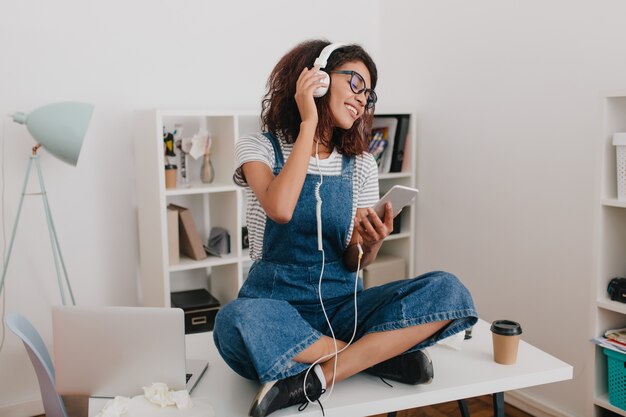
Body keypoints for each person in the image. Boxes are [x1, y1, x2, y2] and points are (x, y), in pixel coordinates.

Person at [213, 40, 478, 417]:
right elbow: (280, 208)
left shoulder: (363, 166)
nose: (362, 98)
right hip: (274, 305)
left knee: (449, 291)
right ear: (316, 78)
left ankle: (315, 377)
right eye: (355, 82)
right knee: (233, 321)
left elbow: (355, 262)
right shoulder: (258, 148)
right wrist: (309, 123)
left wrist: (369, 244)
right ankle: (372, 357)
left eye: (368, 93)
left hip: (344, 306)